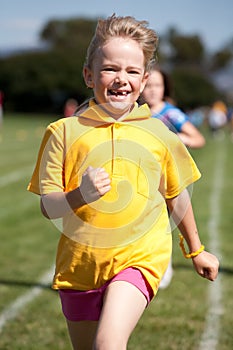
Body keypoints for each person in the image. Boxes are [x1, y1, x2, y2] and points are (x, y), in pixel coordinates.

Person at [27, 15, 219, 350]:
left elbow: (176, 195)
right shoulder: (62, 132)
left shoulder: (160, 133)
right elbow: (48, 205)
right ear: (89, 76)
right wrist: (79, 195)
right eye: (110, 69)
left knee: (109, 344)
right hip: (79, 266)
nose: (121, 79)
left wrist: (197, 250)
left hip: (139, 258)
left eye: (132, 72)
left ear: (144, 81)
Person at [140, 64, 206, 288]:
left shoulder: (171, 113)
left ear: (164, 87)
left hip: (166, 180)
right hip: (141, 177)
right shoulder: (135, 112)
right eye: (148, 85)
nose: (152, 90)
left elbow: (198, 139)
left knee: (161, 224)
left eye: (157, 85)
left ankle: (163, 263)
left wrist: (176, 140)